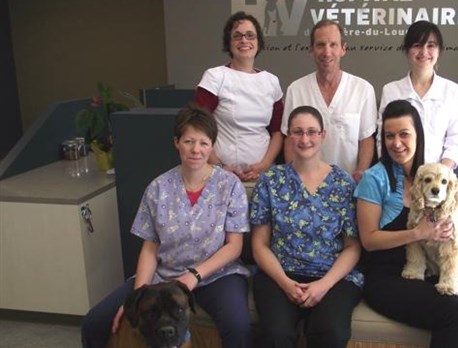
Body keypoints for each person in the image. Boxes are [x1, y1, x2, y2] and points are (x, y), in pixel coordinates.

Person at [81, 104, 252, 348]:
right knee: (94, 321)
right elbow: (150, 247)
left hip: (217, 275)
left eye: (204, 143)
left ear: (212, 146)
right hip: (166, 274)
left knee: (238, 326)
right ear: (176, 143)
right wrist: (137, 297)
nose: (196, 150)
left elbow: (234, 246)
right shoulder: (158, 188)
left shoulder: (230, 185)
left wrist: (194, 275)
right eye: (188, 141)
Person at [355, 100, 458, 348]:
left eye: (404, 134)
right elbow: (369, 240)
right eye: (389, 136)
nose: (396, 143)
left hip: (431, 269)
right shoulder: (373, 179)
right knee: (457, 314)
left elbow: (452, 222)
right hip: (387, 277)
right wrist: (417, 233)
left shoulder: (433, 174)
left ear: (418, 136)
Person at [250, 105, 363, 347]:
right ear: (289, 136)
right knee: (276, 336)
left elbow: (352, 247)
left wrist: (323, 285)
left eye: (312, 132)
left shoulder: (343, 183)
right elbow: (259, 244)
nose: (305, 139)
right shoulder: (271, 180)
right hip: (279, 274)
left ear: (323, 135)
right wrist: (285, 283)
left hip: (331, 277)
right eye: (298, 132)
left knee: (331, 333)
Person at [281, 19, 377, 182]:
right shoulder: (296, 90)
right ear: (311, 50)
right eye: (320, 45)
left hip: (349, 185)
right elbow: (289, 139)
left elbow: (366, 138)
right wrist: (294, 180)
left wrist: (361, 173)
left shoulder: (363, 89)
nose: (327, 52)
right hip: (305, 184)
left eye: (333, 44)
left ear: (343, 49)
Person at [195, 11, 284, 182]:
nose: (244, 40)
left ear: (259, 42)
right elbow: (198, 127)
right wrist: (221, 168)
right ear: (229, 44)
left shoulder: (271, 81)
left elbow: (277, 131)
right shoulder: (215, 77)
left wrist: (264, 165)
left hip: (262, 175)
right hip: (221, 175)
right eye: (237, 36)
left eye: (250, 35)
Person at [378, 21, 458, 170]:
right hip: (399, 177)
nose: (424, 52)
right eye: (417, 45)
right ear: (407, 50)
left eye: (431, 45)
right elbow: (383, 138)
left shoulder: (451, 90)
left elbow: (455, 139)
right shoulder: (391, 90)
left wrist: (440, 173)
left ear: (439, 50)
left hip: (437, 180)